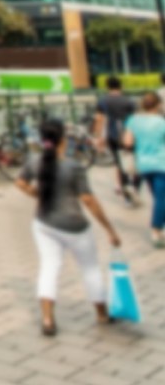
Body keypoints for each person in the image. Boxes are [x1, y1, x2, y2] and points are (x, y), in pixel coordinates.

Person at [15, 118, 119, 336]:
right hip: (76, 227)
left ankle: (47, 319)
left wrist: (36, 194)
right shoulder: (73, 166)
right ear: (63, 139)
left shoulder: (34, 160)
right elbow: (88, 200)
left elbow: (20, 182)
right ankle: (101, 314)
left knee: (49, 268)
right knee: (90, 268)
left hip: (44, 223)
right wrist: (110, 229)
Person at [122, 92, 165, 247]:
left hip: (143, 165)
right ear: (158, 105)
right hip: (161, 163)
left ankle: (160, 227)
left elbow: (127, 142)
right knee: (162, 199)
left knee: (159, 197)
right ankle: (156, 231)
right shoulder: (161, 122)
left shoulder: (133, 120)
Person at [93, 76, 138, 200]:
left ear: (107, 87)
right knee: (133, 160)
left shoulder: (103, 101)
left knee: (119, 162)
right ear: (120, 86)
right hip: (130, 134)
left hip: (112, 134)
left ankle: (125, 189)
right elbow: (136, 118)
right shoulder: (129, 100)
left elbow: (99, 119)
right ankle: (135, 186)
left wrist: (98, 136)